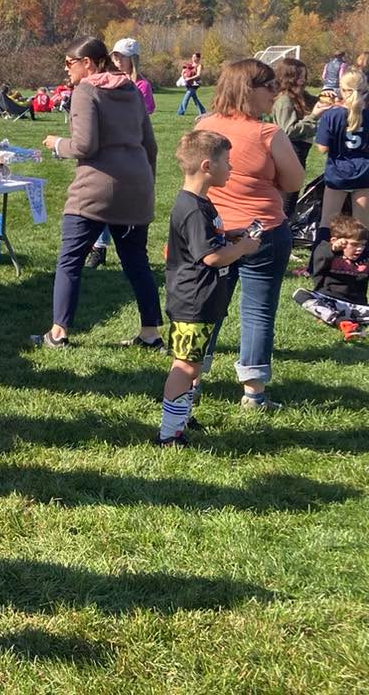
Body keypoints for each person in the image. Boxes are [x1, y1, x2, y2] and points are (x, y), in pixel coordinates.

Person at [192, 58, 304, 410]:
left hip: (213, 231)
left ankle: (190, 381)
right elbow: (294, 182)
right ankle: (254, 393)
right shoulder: (268, 134)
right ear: (247, 89)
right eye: (269, 87)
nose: (275, 93)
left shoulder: (202, 126)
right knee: (258, 310)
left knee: (207, 307)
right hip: (264, 232)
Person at [39, 37, 161, 351]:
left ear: (88, 63)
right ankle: (151, 332)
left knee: (70, 260)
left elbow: (84, 146)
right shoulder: (132, 89)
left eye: (69, 63)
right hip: (137, 185)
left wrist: (56, 143)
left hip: (96, 190)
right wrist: (147, 183)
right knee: (137, 262)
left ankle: (58, 332)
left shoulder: (85, 91)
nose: (66, 70)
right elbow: (151, 145)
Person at [156, 131, 262, 445]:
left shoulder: (200, 203)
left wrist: (230, 235)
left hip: (202, 299)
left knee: (194, 363)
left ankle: (182, 418)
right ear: (207, 166)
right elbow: (212, 257)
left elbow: (208, 242)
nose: (231, 169)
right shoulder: (190, 208)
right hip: (192, 300)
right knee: (185, 366)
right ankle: (169, 433)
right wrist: (242, 248)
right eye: (227, 163)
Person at [86, 37, 158, 269]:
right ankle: (98, 248)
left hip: (130, 148)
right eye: (114, 56)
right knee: (101, 199)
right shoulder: (106, 81)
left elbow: (139, 120)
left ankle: (125, 250)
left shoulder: (141, 86)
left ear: (132, 60)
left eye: (121, 57)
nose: (116, 61)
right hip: (108, 146)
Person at [293, 215, 369, 335]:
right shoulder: (325, 251)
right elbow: (320, 256)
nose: (359, 249)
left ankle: (340, 318)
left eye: (363, 245)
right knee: (300, 294)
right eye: (354, 245)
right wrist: (333, 248)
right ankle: (341, 322)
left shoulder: (365, 258)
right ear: (335, 241)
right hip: (328, 301)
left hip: (357, 307)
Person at [315, 67, 369, 229]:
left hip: (338, 173)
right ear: (365, 90)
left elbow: (322, 148)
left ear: (341, 90)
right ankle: (360, 255)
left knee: (328, 224)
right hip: (364, 173)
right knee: (362, 227)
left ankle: (322, 253)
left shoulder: (332, 115)